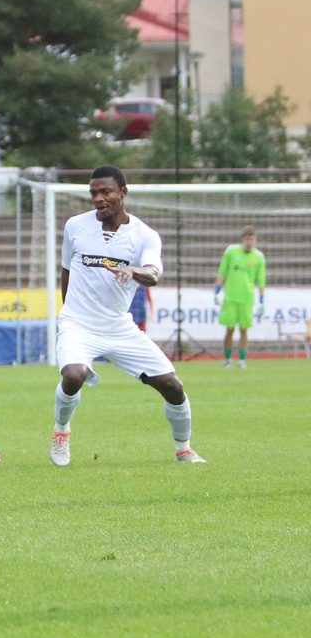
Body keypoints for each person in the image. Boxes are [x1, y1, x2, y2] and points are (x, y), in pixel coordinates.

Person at [50, 165, 205, 467]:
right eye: (93, 192)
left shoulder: (145, 236)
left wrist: (133, 270)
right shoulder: (75, 226)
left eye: (105, 191)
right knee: (73, 375)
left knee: (172, 386)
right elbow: (66, 270)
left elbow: (153, 274)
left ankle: (184, 449)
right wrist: (68, 313)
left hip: (119, 326)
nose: (98, 198)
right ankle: (61, 431)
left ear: (123, 193)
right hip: (78, 323)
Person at [214, 225, 266, 369]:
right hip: (230, 297)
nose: (249, 242)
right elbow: (222, 271)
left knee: (244, 330)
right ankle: (228, 359)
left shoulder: (259, 257)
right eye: (247, 239)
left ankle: (242, 360)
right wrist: (217, 291)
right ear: (243, 239)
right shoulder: (231, 251)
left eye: (252, 239)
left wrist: (262, 301)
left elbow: (261, 280)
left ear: (255, 240)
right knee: (229, 329)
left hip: (247, 298)